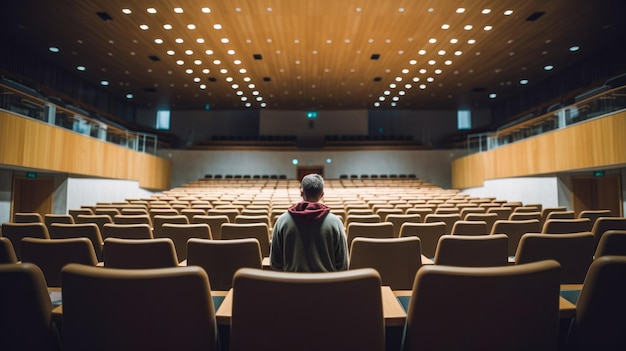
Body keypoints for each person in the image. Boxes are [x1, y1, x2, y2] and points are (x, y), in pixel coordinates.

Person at [270, 174, 348, 272]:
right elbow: (343, 265)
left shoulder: (282, 221)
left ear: (301, 192)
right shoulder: (336, 222)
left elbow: (275, 263)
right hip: (327, 285)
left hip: (291, 284)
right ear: (322, 194)